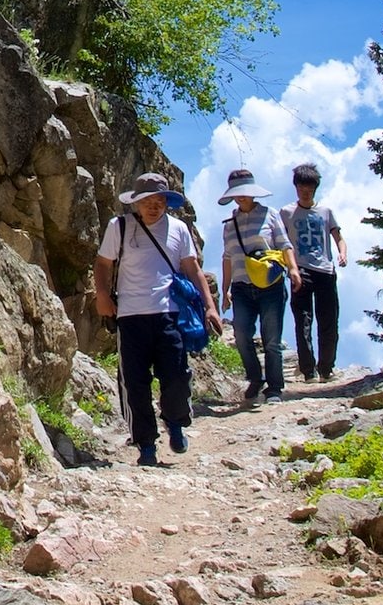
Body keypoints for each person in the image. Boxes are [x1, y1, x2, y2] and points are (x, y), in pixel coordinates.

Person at [95, 172, 222, 466]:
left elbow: (193, 270)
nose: (155, 206)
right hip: (130, 315)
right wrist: (101, 294)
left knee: (176, 375)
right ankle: (146, 445)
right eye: (148, 201)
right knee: (135, 383)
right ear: (136, 203)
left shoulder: (178, 229)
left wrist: (210, 306)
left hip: (169, 314)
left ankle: (175, 423)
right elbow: (103, 263)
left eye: (161, 201)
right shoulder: (120, 227)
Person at [216, 167, 293, 403]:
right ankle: (255, 377)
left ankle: (274, 388)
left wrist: (294, 271)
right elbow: (227, 257)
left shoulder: (270, 215)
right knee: (241, 335)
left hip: (270, 285)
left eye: (244, 192)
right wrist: (225, 290)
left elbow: (284, 244)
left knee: (271, 339)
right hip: (241, 287)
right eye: (236, 192)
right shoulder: (229, 224)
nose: (241, 196)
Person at [277, 162, 349, 383]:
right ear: (296, 187)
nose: (305, 192)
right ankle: (308, 370)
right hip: (300, 271)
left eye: (309, 188)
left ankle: (326, 368)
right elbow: (279, 240)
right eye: (301, 188)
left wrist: (342, 253)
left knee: (329, 320)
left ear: (315, 188)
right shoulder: (286, 212)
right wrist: (287, 267)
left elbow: (338, 236)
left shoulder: (326, 212)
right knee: (303, 321)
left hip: (326, 271)